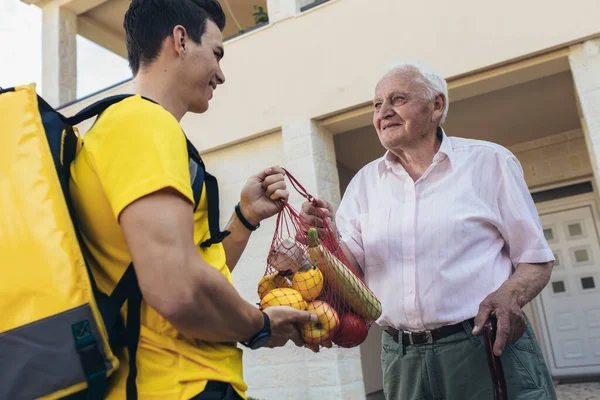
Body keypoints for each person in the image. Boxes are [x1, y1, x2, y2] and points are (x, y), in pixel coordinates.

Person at [69, 1, 316, 399]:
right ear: (181, 40)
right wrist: (261, 325)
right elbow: (178, 288)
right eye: (217, 53)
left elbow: (188, 269)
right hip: (179, 385)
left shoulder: (131, 129)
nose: (220, 73)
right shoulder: (143, 124)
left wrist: (246, 216)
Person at [301, 60, 557, 399]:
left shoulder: (491, 162)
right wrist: (325, 238)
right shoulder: (365, 183)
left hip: (483, 345)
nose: (384, 112)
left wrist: (509, 295)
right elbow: (351, 272)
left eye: (398, 99)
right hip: (401, 356)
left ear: (436, 105)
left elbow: (536, 259)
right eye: (377, 105)